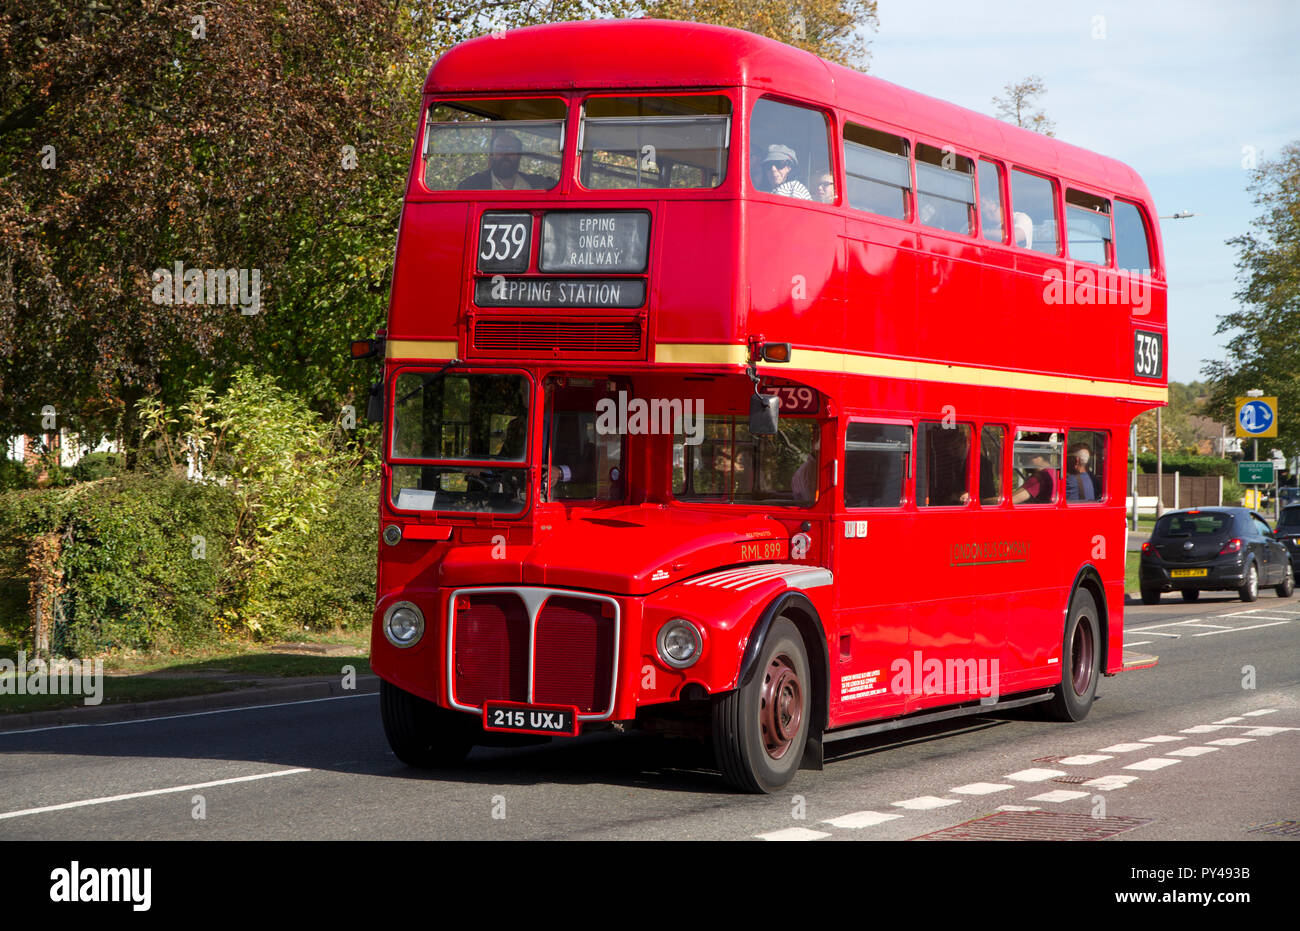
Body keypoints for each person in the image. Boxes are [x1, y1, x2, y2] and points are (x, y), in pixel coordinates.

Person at [458, 130, 551, 191]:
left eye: (511, 149)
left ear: (519, 155)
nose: (505, 154)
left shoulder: (537, 183)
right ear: (492, 154)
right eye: (499, 149)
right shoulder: (472, 185)